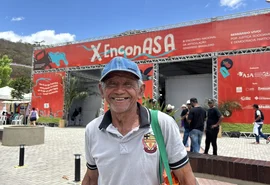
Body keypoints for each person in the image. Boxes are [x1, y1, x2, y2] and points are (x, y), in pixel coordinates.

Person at [82, 57, 196, 185]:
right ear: (102, 90)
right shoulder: (92, 129)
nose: (119, 90)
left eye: (128, 84)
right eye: (112, 84)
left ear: (140, 91)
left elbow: (186, 178)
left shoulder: (161, 123)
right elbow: (92, 178)